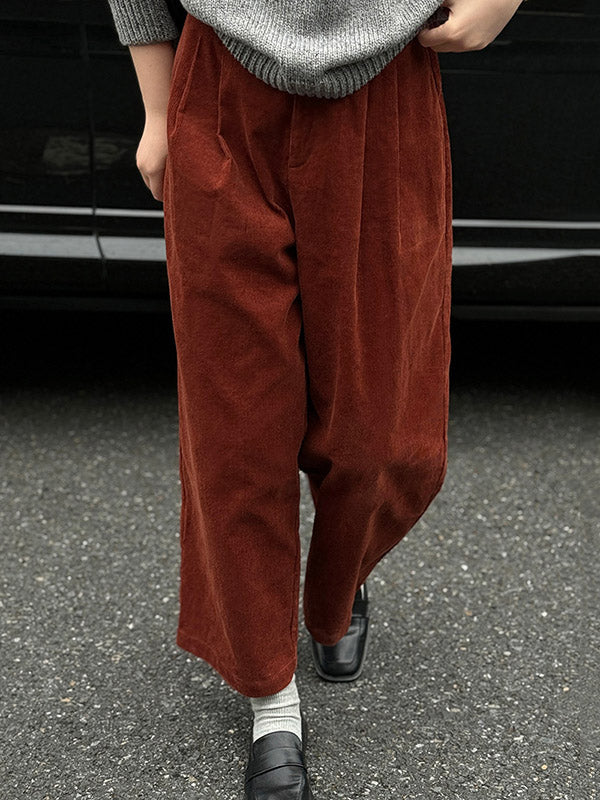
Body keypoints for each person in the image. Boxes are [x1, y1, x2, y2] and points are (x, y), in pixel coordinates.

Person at [106, 1, 527, 797]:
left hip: (386, 94)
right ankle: (271, 697)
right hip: (220, 89)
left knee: (380, 434)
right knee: (237, 431)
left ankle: (342, 581)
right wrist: (159, 108)